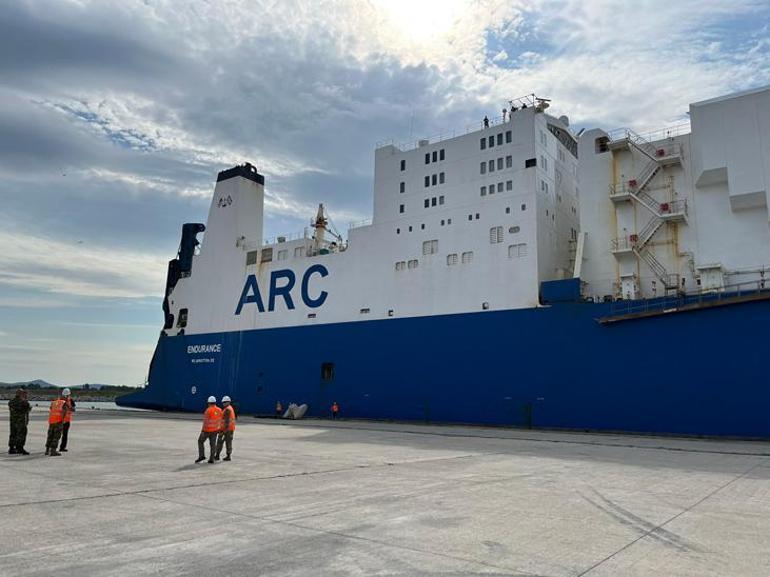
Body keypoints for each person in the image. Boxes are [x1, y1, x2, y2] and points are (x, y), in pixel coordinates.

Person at [196, 396, 222, 464]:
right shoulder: (219, 410)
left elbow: (206, 422)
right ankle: (212, 459)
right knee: (213, 444)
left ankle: (202, 456)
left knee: (200, 441)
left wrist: (202, 431)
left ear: (209, 403)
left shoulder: (208, 410)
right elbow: (220, 420)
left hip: (207, 430)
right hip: (215, 430)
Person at [45, 391, 69, 456]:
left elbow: (51, 409)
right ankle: (53, 451)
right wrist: (63, 420)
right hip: (58, 421)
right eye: (68, 396)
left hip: (51, 421)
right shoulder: (64, 403)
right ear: (65, 396)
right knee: (56, 436)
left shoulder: (54, 402)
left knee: (50, 435)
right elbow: (64, 412)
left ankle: (47, 450)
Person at [8, 389, 31, 455]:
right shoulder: (24, 402)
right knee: (21, 434)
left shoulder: (11, 401)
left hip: (13, 421)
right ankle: (20, 448)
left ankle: (11, 448)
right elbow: (27, 410)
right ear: (21, 394)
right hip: (21, 421)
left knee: (13, 434)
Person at [215, 396, 236, 462]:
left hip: (226, 430)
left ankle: (217, 455)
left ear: (229, 402)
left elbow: (226, 421)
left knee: (220, 442)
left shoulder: (227, 410)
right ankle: (228, 456)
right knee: (228, 442)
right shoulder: (230, 408)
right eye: (223, 402)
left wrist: (223, 431)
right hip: (230, 429)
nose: (223, 403)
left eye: (225, 402)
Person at [59, 388, 76, 452]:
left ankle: (62, 447)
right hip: (60, 420)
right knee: (57, 434)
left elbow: (74, 409)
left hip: (66, 420)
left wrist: (69, 407)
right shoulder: (60, 400)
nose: (65, 397)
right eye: (64, 396)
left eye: (66, 395)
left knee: (64, 435)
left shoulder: (71, 400)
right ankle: (53, 447)